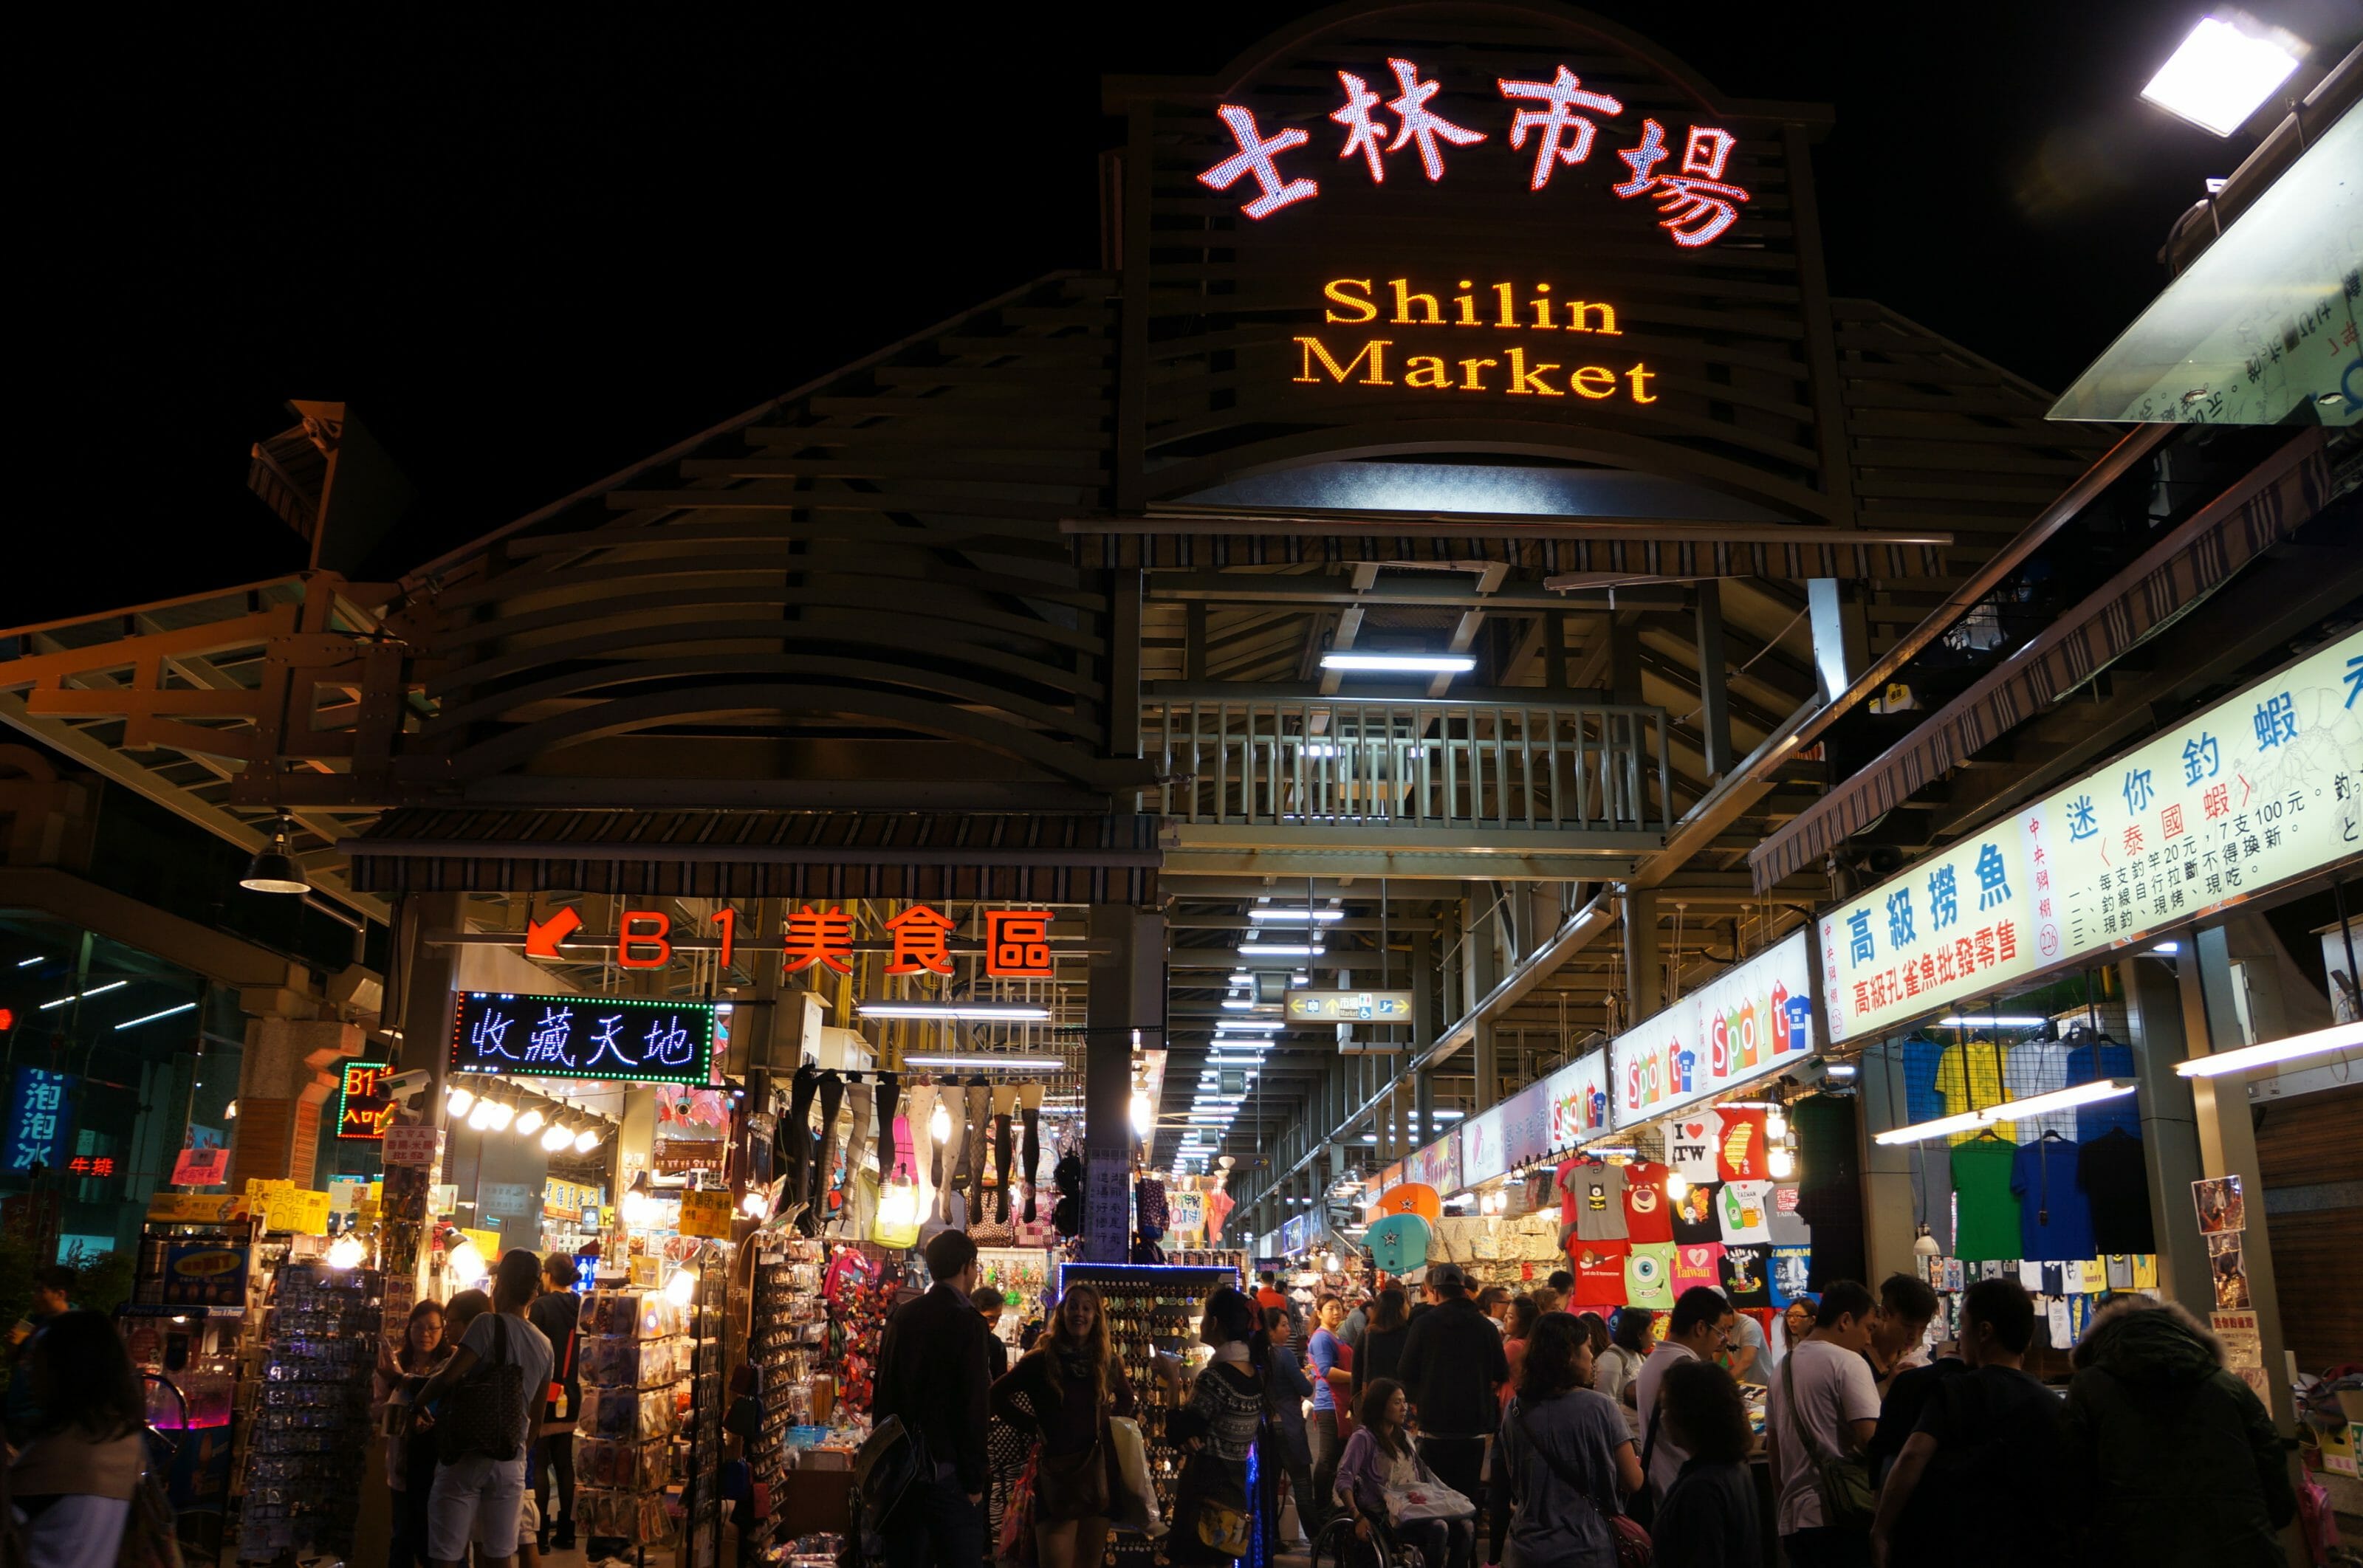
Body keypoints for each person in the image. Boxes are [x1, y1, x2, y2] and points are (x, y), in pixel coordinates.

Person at [2057, 1296, 2293, 1568]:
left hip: (2129, 1550)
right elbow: (2277, 1488)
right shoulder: (2229, 1386)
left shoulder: (2088, 1388)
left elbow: (2072, 1488)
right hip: (2242, 1548)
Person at [1869, 1277, 2060, 1568]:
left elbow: (1911, 1457)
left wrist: (1881, 1530)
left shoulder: (1956, 1390)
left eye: (1963, 1324)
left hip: (1957, 1544)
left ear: (1984, 1332)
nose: (1959, 1336)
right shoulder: (2051, 1403)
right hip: (2029, 1547)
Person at [417, 1249, 554, 1568]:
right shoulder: (544, 1344)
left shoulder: (486, 1324)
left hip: (468, 1456)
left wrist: (417, 1402)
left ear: (500, 1285)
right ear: (534, 1293)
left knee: (446, 1555)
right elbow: (537, 1416)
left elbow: (448, 1377)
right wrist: (518, 1450)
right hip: (510, 1461)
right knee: (499, 1555)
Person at [990, 1283, 1137, 1568]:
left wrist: (1107, 1425)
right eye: (1073, 1306)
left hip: (1099, 1472)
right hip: (1057, 1472)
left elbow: (1127, 1400)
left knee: (1089, 1560)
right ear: (1062, 1312)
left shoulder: (1107, 1362)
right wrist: (1033, 1426)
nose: (1079, 1314)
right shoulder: (1041, 1360)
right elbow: (996, 1396)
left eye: (1086, 1308)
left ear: (1096, 1316)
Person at [874, 1228, 995, 1568]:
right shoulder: (968, 1322)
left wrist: (888, 1460)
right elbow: (973, 1405)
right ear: (967, 1266)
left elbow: (884, 1389)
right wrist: (974, 1478)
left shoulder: (903, 1315)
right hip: (949, 1472)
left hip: (904, 1472)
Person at [1491, 1310, 1642, 1568]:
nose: (1593, 1357)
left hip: (1527, 1547)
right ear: (1569, 1354)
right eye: (1588, 1347)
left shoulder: (1515, 1410)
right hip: (1586, 1545)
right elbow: (1633, 1481)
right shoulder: (1600, 1407)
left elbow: (1515, 1476)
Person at [7, 1310, 147, 1568]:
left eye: (37, 1361)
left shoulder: (57, 1454)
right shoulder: (125, 1439)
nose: (29, 1372)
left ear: (67, 1369)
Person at [1764, 1279, 1881, 1568]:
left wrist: (1785, 1506)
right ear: (1845, 1321)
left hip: (1795, 1521)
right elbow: (1871, 1441)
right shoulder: (1848, 1363)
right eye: (1868, 1328)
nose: (1868, 1340)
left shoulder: (1782, 1368)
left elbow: (1774, 1453)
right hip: (1840, 1517)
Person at [1167, 1286, 1270, 1566]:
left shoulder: (1215, 1379)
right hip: (1234, 1497)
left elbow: (1177, 1433)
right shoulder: (1253, 1376)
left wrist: (1172, 1381)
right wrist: (1191, 1434)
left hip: (1205, 1498)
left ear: (1214, 1323)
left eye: (1204, 1317)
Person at [1395, 1263, 1509, 1512]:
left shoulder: (1424, 1325)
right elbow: (1501, 1372)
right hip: (1473, 1428)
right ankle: (1464, 1547)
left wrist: (1417, 1400)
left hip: (1434, 1425)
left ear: (1434, 1292)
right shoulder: (1485, 1327)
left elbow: (1404, 1371)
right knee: (1466, 1499)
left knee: (1435, 1498)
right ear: (1464, 1290)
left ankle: (1439, 1547)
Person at [1337, 1378, 1474, 1568]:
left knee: (1466, 1526)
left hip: (1412, 1509)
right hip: (1383, 1515)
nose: (1404, 1408)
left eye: (1404, 1402)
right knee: (1439, 1528)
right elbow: (1344, 1478)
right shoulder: (1363, 1438)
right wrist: (1357, 1516)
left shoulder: (1404, 1438)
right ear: (1380, 1406)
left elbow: (1420, 1478)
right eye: (1397, 1402)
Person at [1648, 1358, 1760, 1568]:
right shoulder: (1732, 1467)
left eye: (1667, 1408)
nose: (1663, 1418)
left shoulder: (1702, 1489)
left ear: (1690, 1415)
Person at [1634, 1285, 1736, 1502]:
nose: (1723, 1340)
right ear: (1700, 1328)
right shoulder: (1687, 1372)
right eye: (1720, 1331)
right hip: (1690, 1494)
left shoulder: (1655, 1361)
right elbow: (1711, 1441)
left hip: (1666, 1490)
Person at [374, 1299, 453, 1568]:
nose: (425, 1334)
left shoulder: (450, 1364)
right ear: (408, 1329)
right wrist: (398, 1412)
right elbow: (375, 1408)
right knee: (402, 1536)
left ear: (444, 1330)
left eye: (433, 1328)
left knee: (432, 1538)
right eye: (419, 1328)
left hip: (438, 1464)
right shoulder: (394, 1363)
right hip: (402, 1463)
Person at [527, 1253, 582, 1553]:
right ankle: (567, 1531)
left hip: (546, 1392)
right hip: (571, 1392)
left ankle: (539, 1537)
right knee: (564, 1463)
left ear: (548, 1275)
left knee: (539, 1460)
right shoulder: (581, 1306)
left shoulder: (541, 1307)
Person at [1261, 1304, 1319, 1544]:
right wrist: (1310, 1377)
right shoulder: (1283, 1355)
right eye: (1283, 1325)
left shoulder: (1259, 1356)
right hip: (1289, 1425)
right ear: (1271, 1330)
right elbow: (1305, 1389)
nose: (1288, 1330)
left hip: (1266, 1427)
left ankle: (1271, 1540)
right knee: (1302, 1485)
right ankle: (1318, 1539)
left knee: (1270, 1488)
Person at [4, 1265, 75, 1445]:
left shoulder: (75, 1326)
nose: (34, 1297)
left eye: (40, 1291)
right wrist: (12, 1345)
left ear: (61, 1294)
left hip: (43, 1419)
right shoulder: (33, 1321)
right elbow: (14, 1360)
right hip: (16, 1413)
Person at [1305, 1295, 1351, 1524]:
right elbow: (1325, 1370)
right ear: (1319, 1312)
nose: (1336, 1312)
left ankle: (1325, 1504)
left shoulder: (1335, 1336)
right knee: (1327, 1458)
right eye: (1331, 1308)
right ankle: (1321, 1506)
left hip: (1339, 1403)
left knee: (1335, 1458)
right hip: (1329, 1403)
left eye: (1339, 1308)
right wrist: (1356, 1378)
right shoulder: (1322, 1338)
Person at [1864, 1273, 1938, 1392]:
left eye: (1922, 1328)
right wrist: (1887, 1386)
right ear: (1884, 1314)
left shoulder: (1908, 1357)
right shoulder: (1857, 1351)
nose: (1914, 1336)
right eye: (1908, 1326)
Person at [1593, 1307, 1651, 1438]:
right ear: (1639, 1334)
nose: (1653, 1335)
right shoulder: (1612, 1358)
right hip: (1622, 1435)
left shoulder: (1639, 1356)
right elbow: (1605, 1402)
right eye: (1650, 1330)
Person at [1350, 1285, 1410, 1395]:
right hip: (1401, 1398)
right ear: (1399, 1309)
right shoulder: (1408, 1335)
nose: (1408, 1307)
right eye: (1406, 1304)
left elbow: (1357, 1373)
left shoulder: (1367, 1334)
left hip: (1373, 1398)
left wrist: (1354, 1401)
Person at [1500, 1296, 1542, 1411]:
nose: (1505, 1319)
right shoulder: (1531, 1343)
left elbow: (1493, 1371)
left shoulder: (1513, 1346)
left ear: (1523, 1323)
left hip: (1511, 1403)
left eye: (1511, 1317)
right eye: (1506, 1314)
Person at [973, 1285, 1010, 1380]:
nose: (994, 1324)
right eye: (990, 1318)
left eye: (998, 1318)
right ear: (975, 1313)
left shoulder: (997, 1345)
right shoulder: (960, 1341)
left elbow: (1000, 1384)